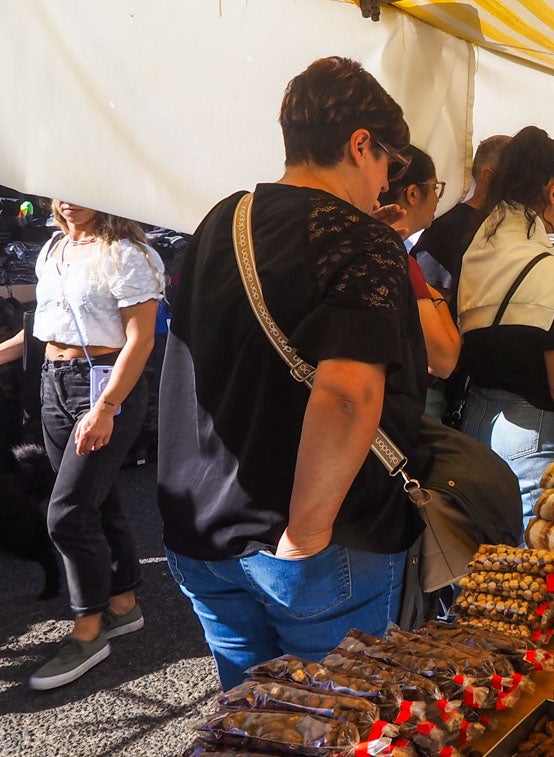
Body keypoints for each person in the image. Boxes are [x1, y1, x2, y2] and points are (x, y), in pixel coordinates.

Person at [157, 56, 427, 690]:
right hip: (314, 542)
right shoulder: (358, 240)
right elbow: (348, 395)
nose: (386, 185)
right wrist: (305, 536)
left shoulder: (221, 219)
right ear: (361, 144)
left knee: (251, 721)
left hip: (204, 533)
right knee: (337, 723)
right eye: (389, 164)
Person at [25, 201, 163, 690]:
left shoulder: (128, 254)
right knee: (98, 501)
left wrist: (105, 406)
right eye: (60, 189)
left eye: (80, 188)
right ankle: (123, 604)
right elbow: (44, 324)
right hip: (53, 381)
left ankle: (88, 630)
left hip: (102, 386)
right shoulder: (55, 247)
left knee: (67, 512)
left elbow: (141, 339)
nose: (67, 199)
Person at [454, 126, 554, 527]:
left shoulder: (477, 247)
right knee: (529, 567)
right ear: (553, 192)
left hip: (477, 420)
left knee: (487, 563)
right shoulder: (549, 271)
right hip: (531, 435)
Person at [377, 146, 461, 418]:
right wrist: (433, 296)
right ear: (413, 193)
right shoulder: (398, 261)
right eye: (435, 187)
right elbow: (444, 359)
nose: (437, 198)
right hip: (397, 410)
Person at [411, 134, 510, 308]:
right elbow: (429, 302)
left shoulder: (509, 228)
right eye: (515, 175)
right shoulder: (446, 230)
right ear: (487, 175)